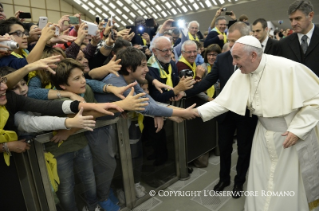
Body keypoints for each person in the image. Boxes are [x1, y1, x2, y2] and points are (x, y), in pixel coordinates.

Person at [187, 35, 319, 211]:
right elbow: (222, 102)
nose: (233, 63)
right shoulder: (243, 72)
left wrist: (297, 130)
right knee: (262, 179)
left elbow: (314, 101)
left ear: (253, 56)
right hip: (263, 136)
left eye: (237, 58)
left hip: (289, 139)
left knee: (286, 184)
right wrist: (192, 113)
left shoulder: (289, 68)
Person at [183, 22, 257, 198]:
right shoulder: (223, 58)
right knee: (224, 147)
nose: (231, 45)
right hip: (225, 112)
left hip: (246, 113)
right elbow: (207, 81)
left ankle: (239, 182)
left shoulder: (254, 59)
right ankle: (224, 179)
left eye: (236, 41)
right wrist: (183, 92)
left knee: (244, 149)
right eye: (230, 41)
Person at [277, 0, 319, 76]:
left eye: (298, 18)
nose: (293, 23)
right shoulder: (283, 44)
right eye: (291, 19)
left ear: (311, 16)